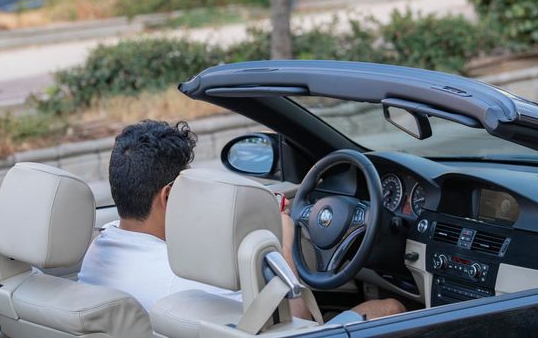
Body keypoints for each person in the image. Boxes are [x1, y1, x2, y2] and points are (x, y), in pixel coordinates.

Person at [78, 120, 404, 324]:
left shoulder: (98, 247)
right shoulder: (181, 279)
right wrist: (283, 239)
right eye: (190, 188)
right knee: (387, 308)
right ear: (168, 195)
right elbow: (296, 325)